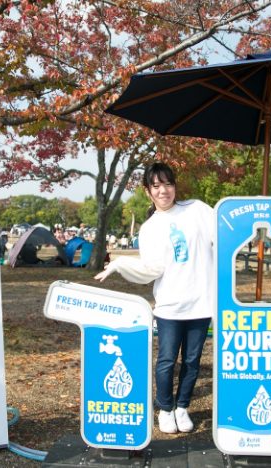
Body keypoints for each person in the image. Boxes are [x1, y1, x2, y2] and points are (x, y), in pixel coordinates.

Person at [94, 162, 214, 435]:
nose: (164, 191)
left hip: (201, 303)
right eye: (156, 186)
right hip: (170, 306)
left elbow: (223, 233)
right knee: (167, 360)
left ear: (175, 186)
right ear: (148, 191)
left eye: (168, 184)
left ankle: (182, 407)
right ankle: (165, 408)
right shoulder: (149, 228)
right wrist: (119, 264)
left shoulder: (196, 209)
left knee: (193, 361)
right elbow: (152, 270)